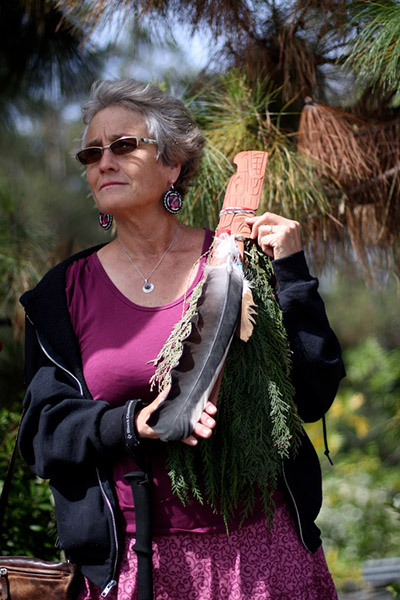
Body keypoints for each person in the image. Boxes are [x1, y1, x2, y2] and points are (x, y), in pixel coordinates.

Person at [18, 78, 345, 600]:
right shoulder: (61, 294)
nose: (104, 161)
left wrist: (294, 272)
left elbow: (313, 394)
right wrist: (132, 423)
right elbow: (43, 435)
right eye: (91, 152)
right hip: (131, 564)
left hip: (262, 555)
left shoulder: (242, 258)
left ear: (173, 163)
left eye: (124, 145)